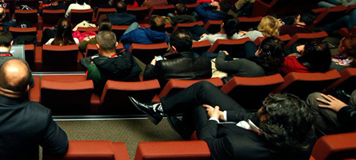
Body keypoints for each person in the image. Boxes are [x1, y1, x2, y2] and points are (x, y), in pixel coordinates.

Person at [129, 81, 316, 160]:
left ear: (272, 126)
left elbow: (208, 142)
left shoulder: (238, 146)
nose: (260, 108)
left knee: (198, 105)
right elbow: (253, 117)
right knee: (204, 88)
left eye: (264, 110)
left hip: (225, 134)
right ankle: (159, 109)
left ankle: (187, 130)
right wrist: (223, 114)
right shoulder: (304, 131)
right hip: (249, 128)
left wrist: (213, 119)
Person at [142, 29, 211, 87]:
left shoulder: (164, 65)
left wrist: (151, 65)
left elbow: (147, 79)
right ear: (191, 46)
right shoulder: (206, 61)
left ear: (174, 49)